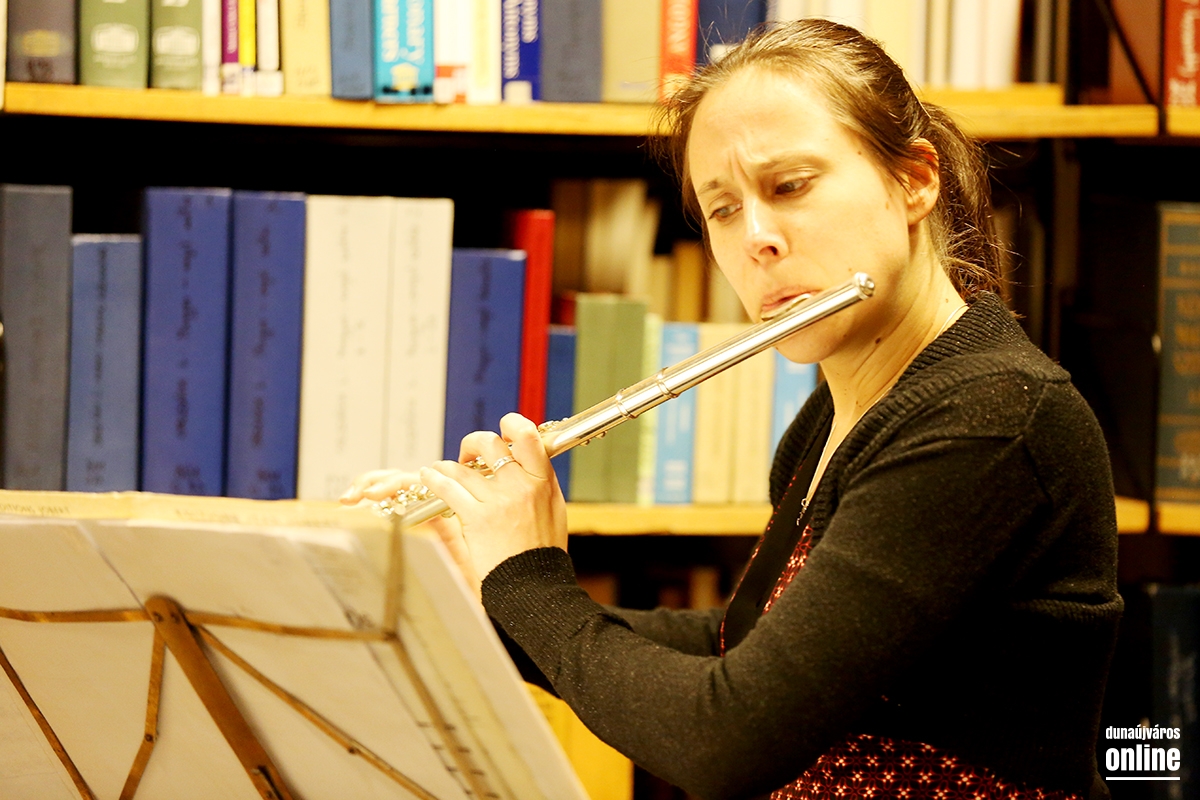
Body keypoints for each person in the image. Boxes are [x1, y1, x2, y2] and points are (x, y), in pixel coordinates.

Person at [342, 19, 1122, 800]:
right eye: (722, 209)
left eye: (791, 186)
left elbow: (726, 739)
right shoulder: (831, 420)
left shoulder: (993, 418)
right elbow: (741, 647)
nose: (757, 239)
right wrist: (474, 579)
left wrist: (526, 579)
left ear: (915, 180)